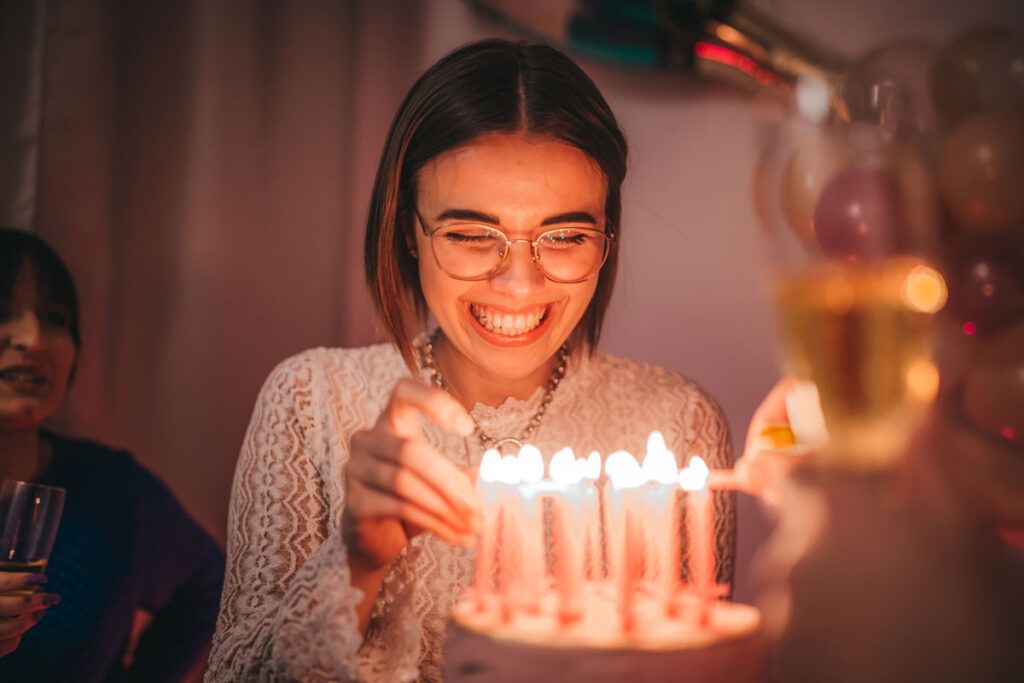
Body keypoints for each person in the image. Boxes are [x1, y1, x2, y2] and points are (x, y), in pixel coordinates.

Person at [206, 39, 736, 682]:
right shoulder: (311, 399)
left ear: (606, 235)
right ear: (408, 229)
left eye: (565, 237)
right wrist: (356, 563)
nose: (518, 284)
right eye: (470, 235)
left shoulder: (676, 426)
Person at [0, 228, 225, 681]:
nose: (34, 338)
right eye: (4, 312)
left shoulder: (114, 490)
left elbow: (208, 584)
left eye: (54, 317)